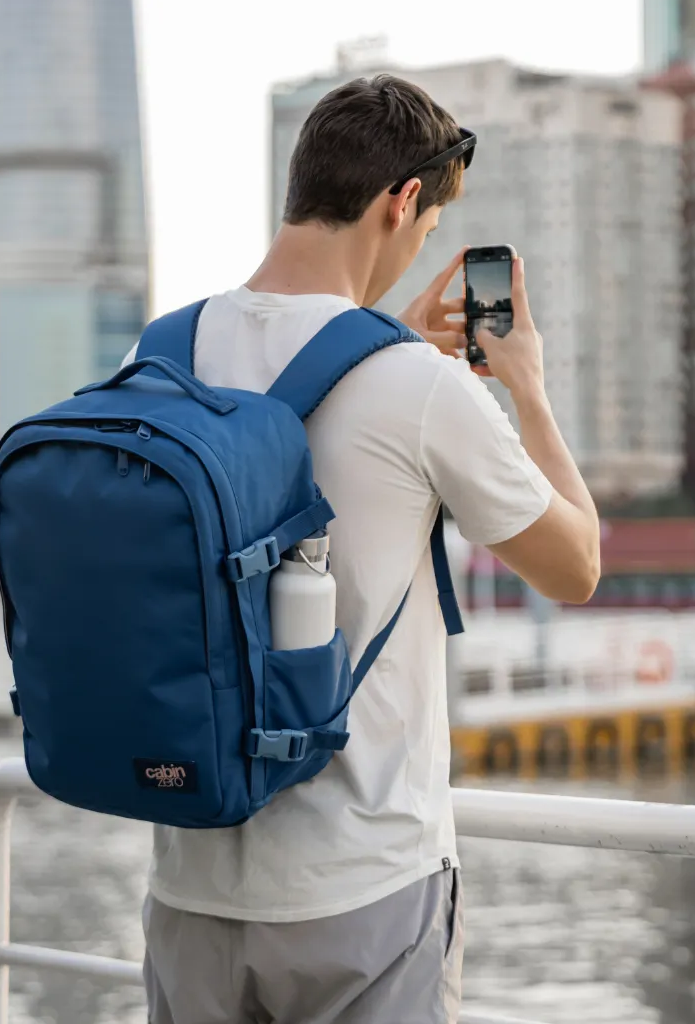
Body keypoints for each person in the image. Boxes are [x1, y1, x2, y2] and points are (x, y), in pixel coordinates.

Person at [134, 74, 601, 1024]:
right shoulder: (418, 386)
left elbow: (285, 408)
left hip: (189, 885)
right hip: (364, 890)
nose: (420, 247)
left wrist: (385, 344)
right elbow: (575, 564)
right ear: (401, 204)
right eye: (427, 230)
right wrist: (527, 387)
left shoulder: (162, 356)